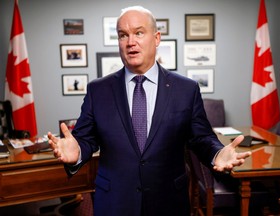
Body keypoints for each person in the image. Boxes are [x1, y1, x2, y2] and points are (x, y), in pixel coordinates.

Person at [48, 6, 251, 216]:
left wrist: (217, 153)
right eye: (123, 35)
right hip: (115, 202)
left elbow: (201, 138)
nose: (130, 42)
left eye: (138, 32)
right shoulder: (98, 90)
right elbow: (85, 138)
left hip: (168, 201)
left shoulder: (186, 89)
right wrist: (77, 151)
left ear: (156, 38)